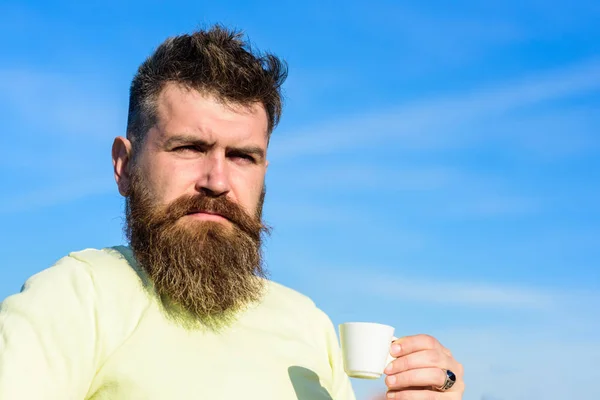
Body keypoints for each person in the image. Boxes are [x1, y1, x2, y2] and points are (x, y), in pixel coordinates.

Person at [0, 25, 464, 400]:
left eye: (242, 156)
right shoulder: (77, 298)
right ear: (124, 165)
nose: (217, 181)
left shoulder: (309, 326)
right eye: (188, 147)